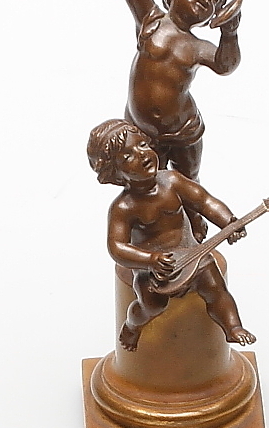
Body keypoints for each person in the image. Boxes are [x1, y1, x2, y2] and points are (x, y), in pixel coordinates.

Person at [88, 119, 254, 351]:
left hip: (192, 253)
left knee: (216, 289)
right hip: (153, 269)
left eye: (143, 145)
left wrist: (228, 221)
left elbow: (205, 201)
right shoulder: (123, 207)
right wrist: (150, 260)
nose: (142, 154)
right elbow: (117, 247)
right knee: (151, 305)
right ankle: (132, 326)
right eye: (127, 157)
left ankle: (233, 327)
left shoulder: (172, 181)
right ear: (115, 175)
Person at [120, 0, 242, 181]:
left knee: (189, 180)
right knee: (144, 182)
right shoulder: (151, 19)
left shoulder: (198, 47)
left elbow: (225, 65)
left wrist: (230, 34)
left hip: (183, 131)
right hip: (140, 128)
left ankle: (192, 206)